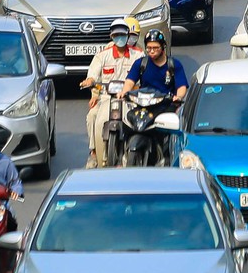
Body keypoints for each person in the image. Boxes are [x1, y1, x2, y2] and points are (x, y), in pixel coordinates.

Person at [82, 17, 141, 166]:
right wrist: (89, 82)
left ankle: (135, 151)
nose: (119, 38)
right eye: (116, 35)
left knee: (137, 120)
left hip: (130, 98)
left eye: (122, 34)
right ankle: (94, 153)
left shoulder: (138, 55)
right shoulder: (102, 55)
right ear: (111, 36)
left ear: (127, 35)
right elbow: (93, 75)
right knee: (92, 116)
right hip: (106, 98)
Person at [125, 29, 191, 104]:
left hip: (167, 106)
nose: (152, 51)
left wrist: (178, 97)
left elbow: (182, 86)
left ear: (163, 47)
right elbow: (129, 82)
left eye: (156, 48)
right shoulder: (140, 63)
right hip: (144, 105)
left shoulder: (174, 64)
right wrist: (124, 93)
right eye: (149, 48)